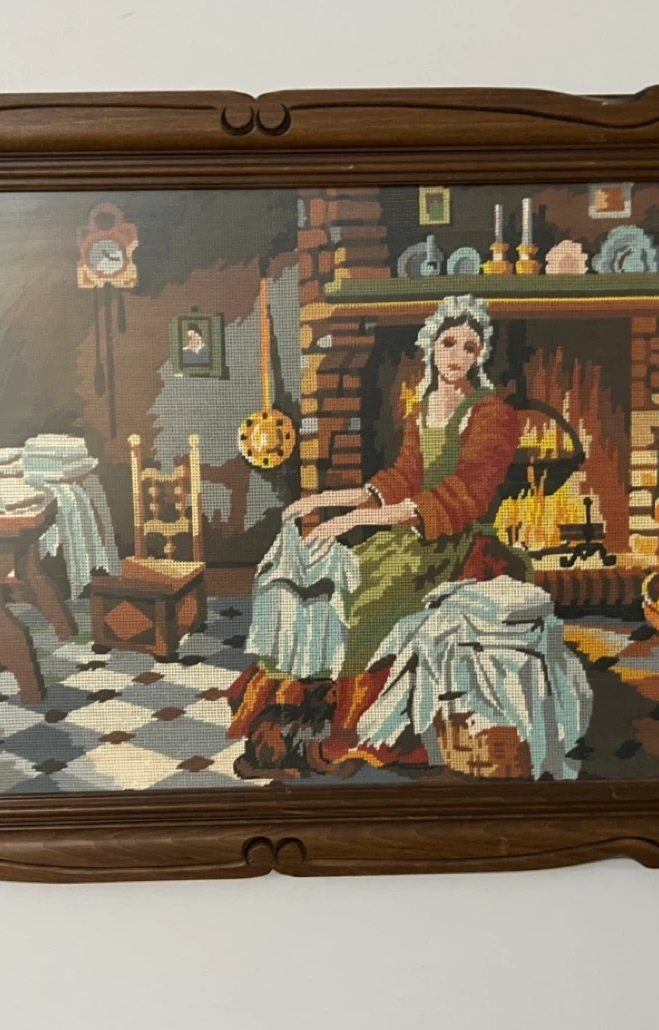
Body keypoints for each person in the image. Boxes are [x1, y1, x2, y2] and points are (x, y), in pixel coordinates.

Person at [228, 294, 533, 776]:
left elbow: (464, 497)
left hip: (455, 543)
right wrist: (325, 501)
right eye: (449, 343)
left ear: (481, 356)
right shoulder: (422, 409)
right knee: (333, 586)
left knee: (366, 603)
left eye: (469, 347)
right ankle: (298, 716)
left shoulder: (492, 413)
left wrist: (351, 522)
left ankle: (354, 735)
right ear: (430, 346)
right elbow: (400, 479)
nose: (457, 356)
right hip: (409, 537)